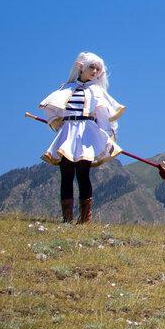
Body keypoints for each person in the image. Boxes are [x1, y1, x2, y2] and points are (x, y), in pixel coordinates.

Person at [36, 51, 125, 223]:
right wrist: (56, 121)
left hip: (87, 134)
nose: (94, 72)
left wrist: (107, 136)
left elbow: (104, 117)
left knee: (83, 173)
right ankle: (67, 219)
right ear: (80, 66)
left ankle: (85, 219)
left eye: (98, 70)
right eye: (92, 67)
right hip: (68, 132)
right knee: (66, 173)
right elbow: (52, 109)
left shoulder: (97, 92)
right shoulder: (66, 88)